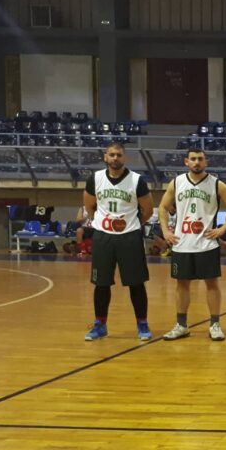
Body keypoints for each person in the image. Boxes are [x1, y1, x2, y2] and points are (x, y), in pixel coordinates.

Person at [158, 148, 226, 342]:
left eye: (200, 159)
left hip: (207, 243)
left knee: (212, 284)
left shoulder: (217, 184)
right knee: (181, 284)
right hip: (181, 243)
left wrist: (222, 229)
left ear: (206, 162)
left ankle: (215, 324)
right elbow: (162, 207)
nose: (196, 162)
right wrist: (166, 231)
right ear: (186, 162)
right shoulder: (177, 182)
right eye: (193, 159)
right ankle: (181, 325)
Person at [83, 141, 153, 341]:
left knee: (136, 283)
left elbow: (148, 210)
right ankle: (100, 324)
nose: (115, 158)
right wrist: (100, 222)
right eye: (112, 154)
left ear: (125, 158)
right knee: (101, 283)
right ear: (105, 157)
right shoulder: (95, 179)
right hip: (103, 237)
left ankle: (142, 324)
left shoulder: (137, 180)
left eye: (119, 155)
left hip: (129, 236)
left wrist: (132, 224)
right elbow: (89, 206)